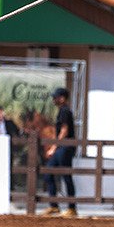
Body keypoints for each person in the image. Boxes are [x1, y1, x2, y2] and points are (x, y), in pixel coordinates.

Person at [43, 87, 77, 217]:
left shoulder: (65, 111)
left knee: (66, 176)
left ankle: (72, 207)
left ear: (62, 98)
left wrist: (54, 147)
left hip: (65, 147)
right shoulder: (62, 111)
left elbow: (64, 130)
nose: (54, 100)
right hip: (61, 147)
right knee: (49, 172)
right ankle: (54, 205)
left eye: (56, 97)